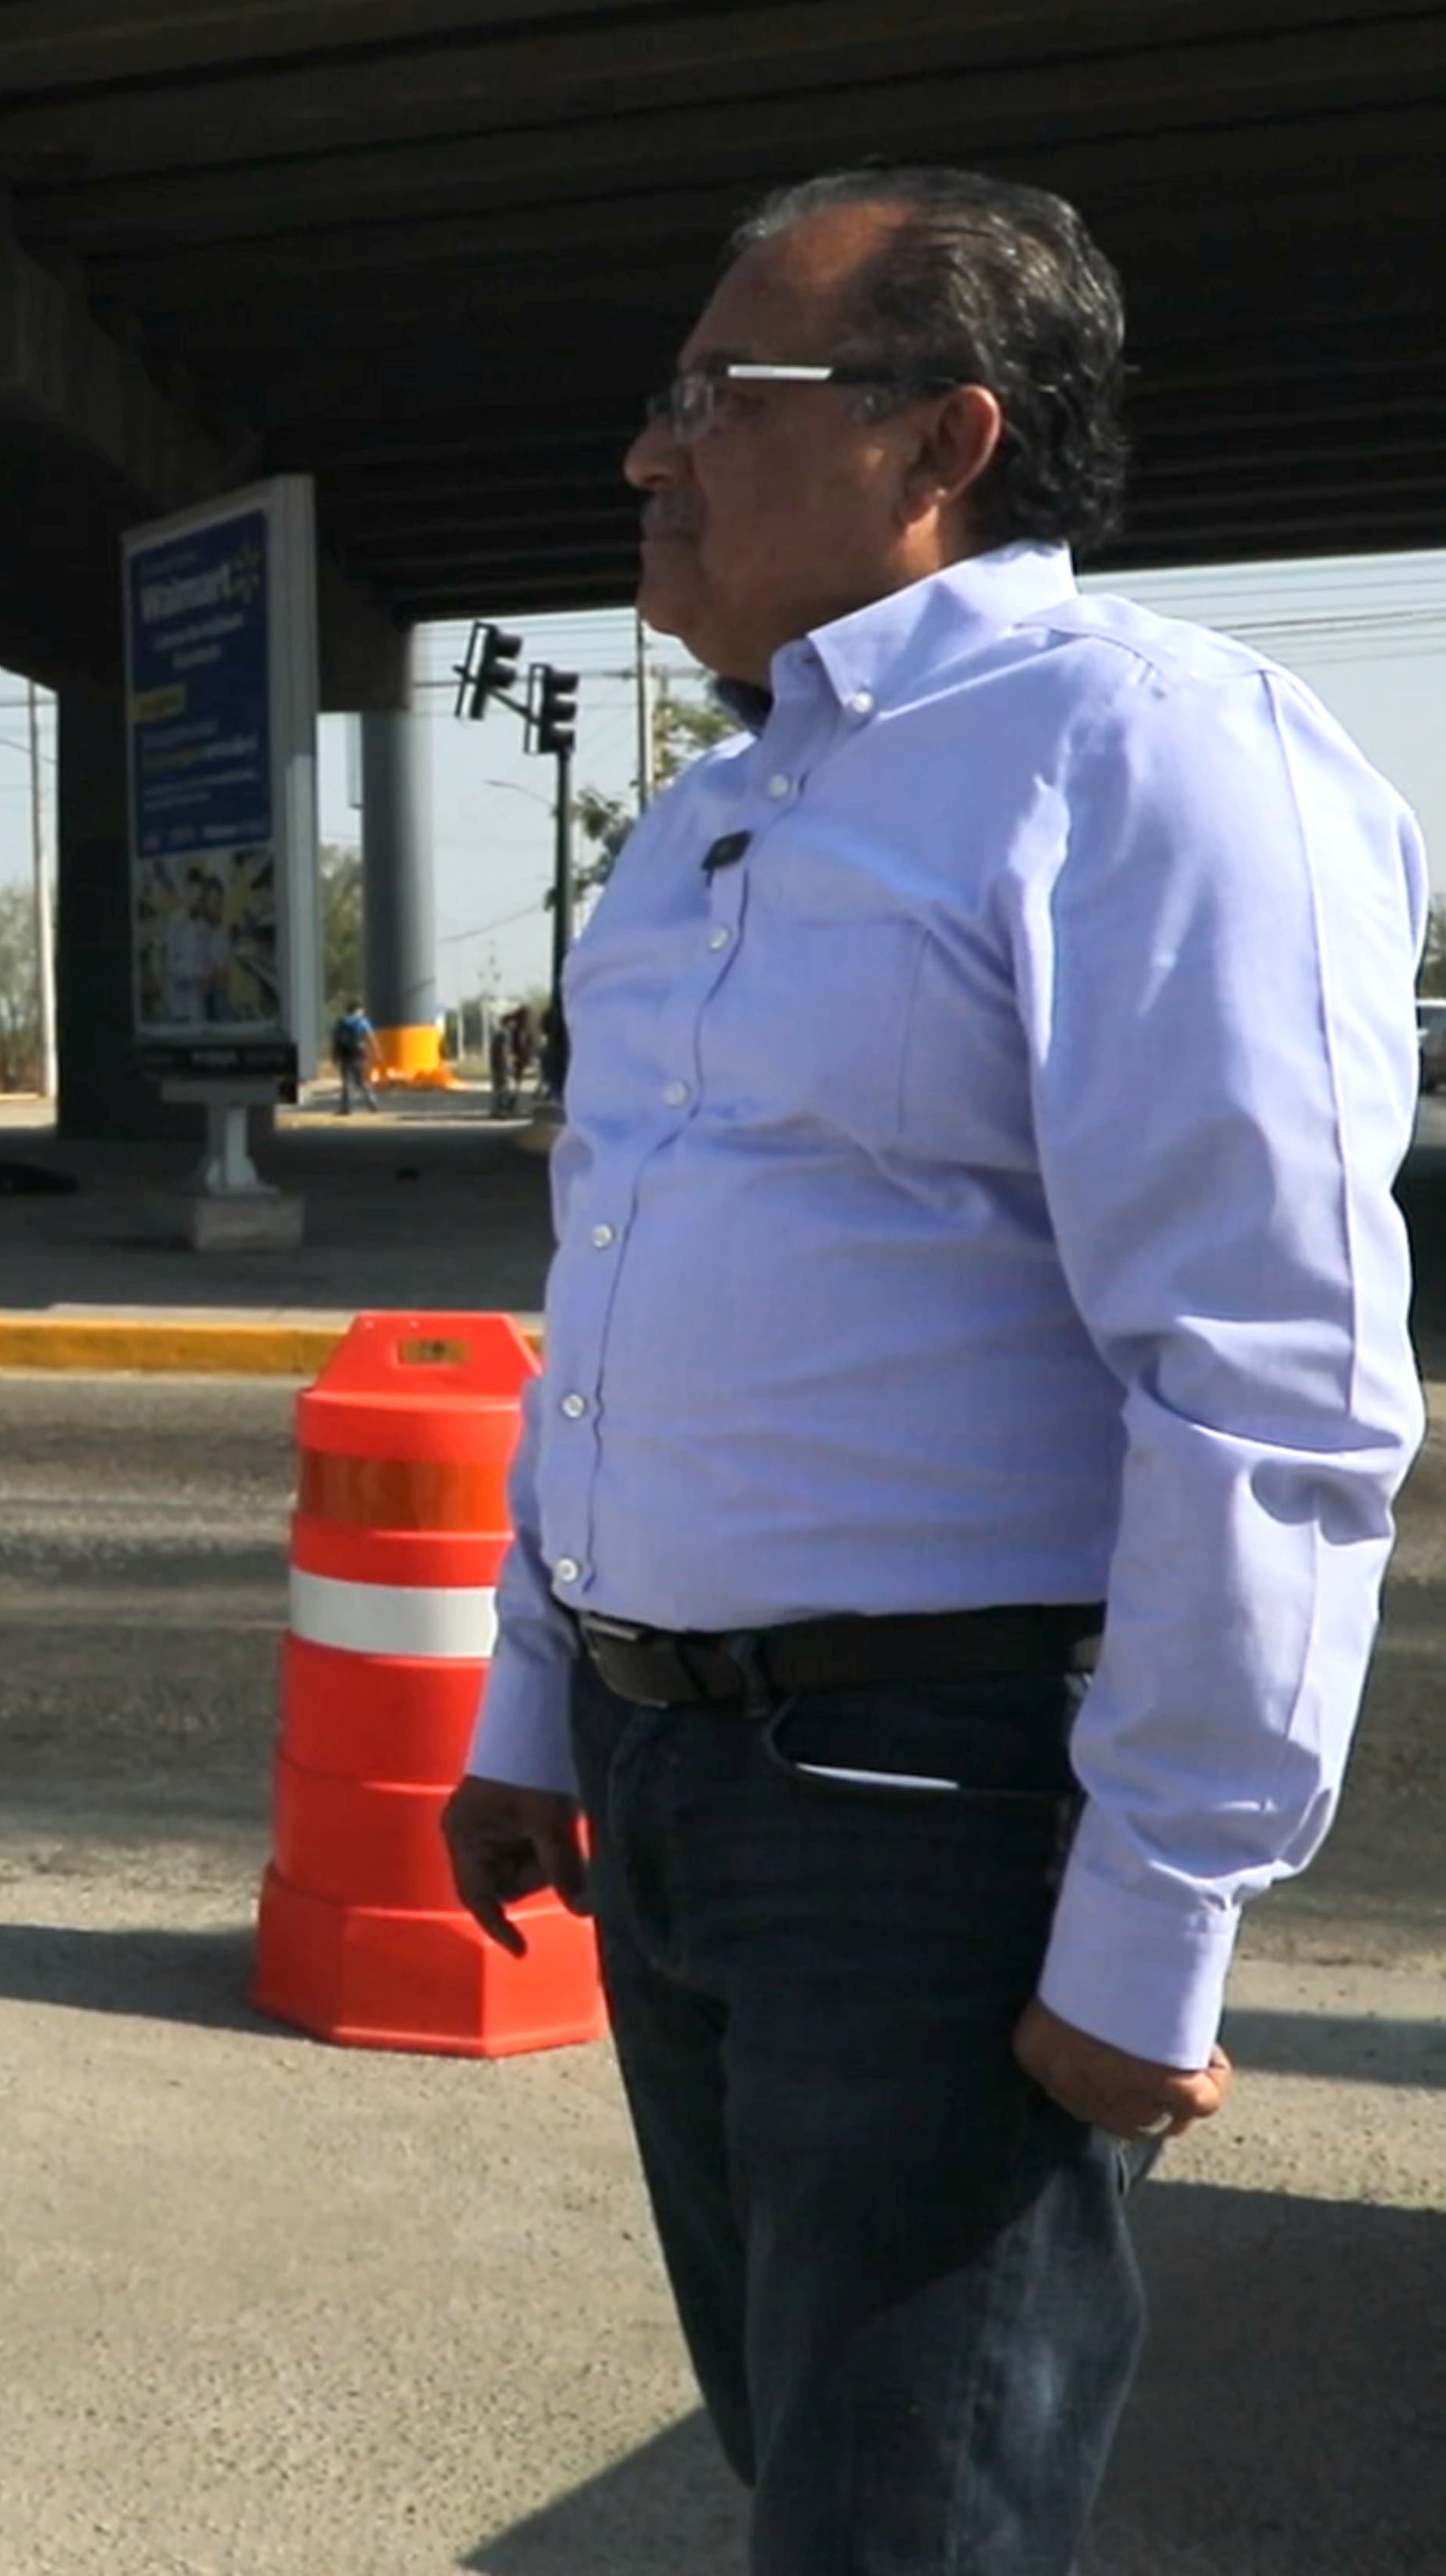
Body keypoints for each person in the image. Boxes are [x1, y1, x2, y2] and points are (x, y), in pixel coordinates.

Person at [440, 167, 1420, 2575]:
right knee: (817, 2466)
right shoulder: (705, 819)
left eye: (707, 397)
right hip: (680, 1789)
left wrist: (1152, 1923)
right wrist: (530, 1709)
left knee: (910, 2526)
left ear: (936, 442)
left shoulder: (1148, 759)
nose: (645, 457)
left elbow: (1266, 1381)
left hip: (931, 1800)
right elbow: (620, 1299)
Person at [326, 1003, 378, 1113]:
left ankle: (346, 1108)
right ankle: (372, 1102)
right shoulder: (362, 1021)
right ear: (358, 1010)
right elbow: (370, 1037)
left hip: (344, 1054)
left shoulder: (340, 1022)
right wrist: (377, 1052)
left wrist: (334, 1056)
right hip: (358, 1053)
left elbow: (335, 1041)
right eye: (362, 1010)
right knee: (361, 1080)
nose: (363, 1012)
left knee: (346, 1081)